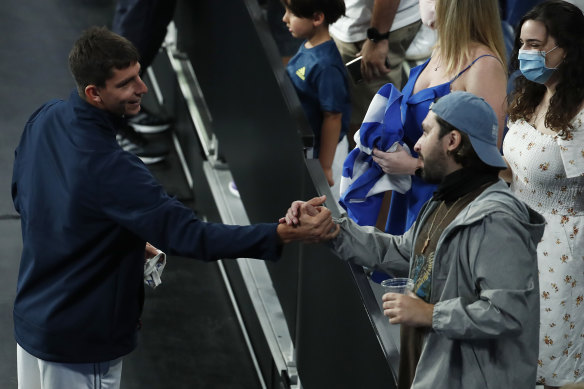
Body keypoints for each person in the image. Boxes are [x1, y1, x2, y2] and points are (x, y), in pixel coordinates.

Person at [10, 26, 335, 389]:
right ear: (94, 93)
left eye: (139, 75)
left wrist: (114, 239)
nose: (142, 88)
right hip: (80, 344)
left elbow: (24, 196)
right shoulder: (116, 171)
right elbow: (193, 236)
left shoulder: (45, 118)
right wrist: (283, 233)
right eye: (127, 83)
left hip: (32, 323)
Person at [283, 92, 545, 389]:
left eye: (426, 131)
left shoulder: (498, 220)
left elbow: (507, 313)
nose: (417, 144)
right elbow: (405, 254)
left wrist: (430, 314)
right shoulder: (445, 200)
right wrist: (333, 228)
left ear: (452, 141)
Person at [369, 0, 508, 236]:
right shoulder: (439, 52)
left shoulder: (483, 67)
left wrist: (415, 166)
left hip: (447, 206)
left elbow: (485, 162)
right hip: (409, 198)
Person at [502, 2, 584, 387]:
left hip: (560, 253)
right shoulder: (531, 93)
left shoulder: (581, 114)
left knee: (553, 366)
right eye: (522, 44)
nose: (525, 54)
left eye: (535, 45)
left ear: (565, 48)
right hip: (514, 239)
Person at [282, 0, 351, 199]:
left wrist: (326, 166)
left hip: (326, 152)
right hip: (307, 144)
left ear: (317, 18)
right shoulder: (308, 45)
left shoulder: (326, 66)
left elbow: (333, 117)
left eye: (291, 14)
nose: (284, 18)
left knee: (326, 205)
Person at [329, 0, 421, 143]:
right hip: (361, 23)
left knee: (373, 127)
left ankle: (367, 163)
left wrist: (377, 38)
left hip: (374, 28)